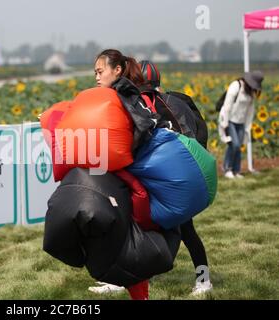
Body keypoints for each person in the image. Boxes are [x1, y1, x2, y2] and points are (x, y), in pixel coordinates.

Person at [138, 60, 213, 296]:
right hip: (180, 175)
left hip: (172, 179)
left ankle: (204, 280)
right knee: (164, 229)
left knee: (184, 230)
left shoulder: (155, 105)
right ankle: (129, 278)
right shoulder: (175, 101)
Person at [89, 49, 158, 300]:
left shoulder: (123, 94)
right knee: (117, 229)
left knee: (124, 230)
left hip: (128, 174)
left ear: (116, 70)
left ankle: (125, 282)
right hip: (122, 172)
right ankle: (119, 279)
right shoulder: (117, 93)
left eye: (100, 71)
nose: (96, 77)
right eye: (95, 72)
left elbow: (137, 130)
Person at [218, 71, 263, 179]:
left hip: (241, 122)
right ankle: (227, 168)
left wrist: (248, 127)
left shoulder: (251, 92)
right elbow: (227, 105)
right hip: (230, 120)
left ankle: (236, 171)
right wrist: (224, 124)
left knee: (239, 147)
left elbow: (250, 112)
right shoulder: (236, 86)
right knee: (235, 144)